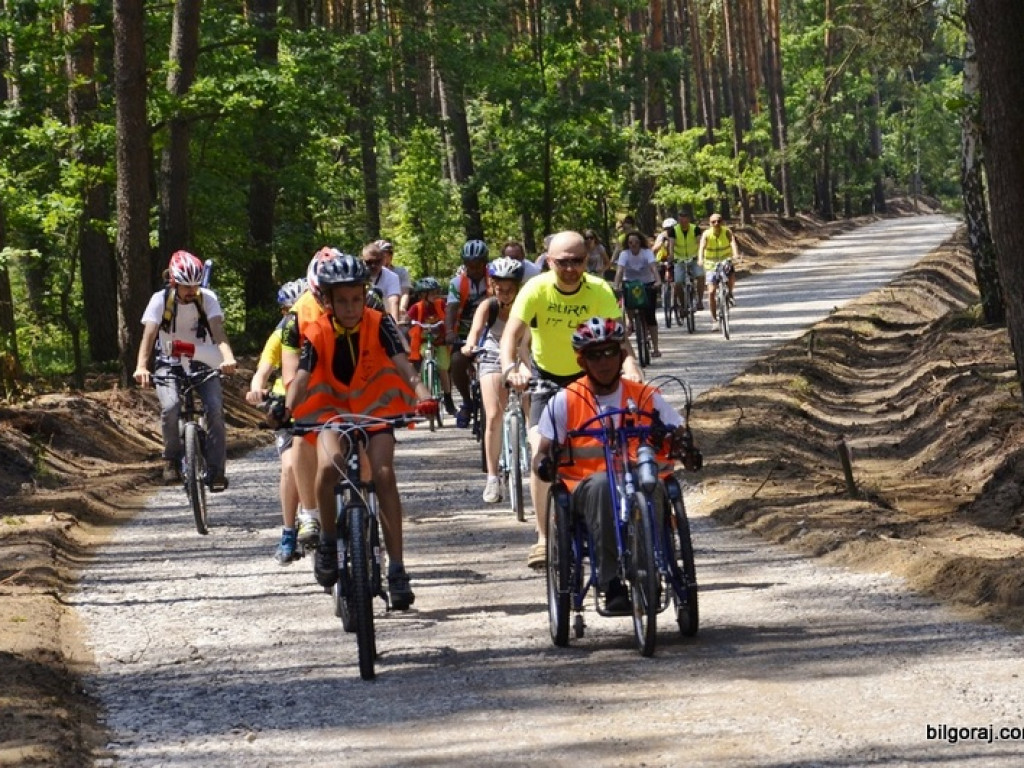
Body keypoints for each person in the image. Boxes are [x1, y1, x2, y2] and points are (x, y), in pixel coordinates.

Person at [281, 253, 436, 609]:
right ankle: (327, 543)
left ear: (365, 294)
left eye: (356, 298)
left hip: (376, 410)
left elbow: (404, 366)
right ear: (328, 301)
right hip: (330, 411)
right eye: (342, 301)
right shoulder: (316, 331)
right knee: (329, 465)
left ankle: (397, 569)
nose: (351, 308)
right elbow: (301, 378)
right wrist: (285, 409)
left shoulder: (379, 323)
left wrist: (425, 396)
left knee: (383, 474)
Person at [533, 317, 699, 612]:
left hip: (639, 476)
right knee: (601, 486)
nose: (604, 362)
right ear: (582, 361)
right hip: (587, 486)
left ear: (622, 356)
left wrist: (685, 448)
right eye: (594, 355)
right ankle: (610, 583)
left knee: (652, 486)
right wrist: (544, 464)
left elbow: (678, 431)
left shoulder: (645, 396)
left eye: (610, 352)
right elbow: (542, 452)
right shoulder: (565, 400)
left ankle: (650, 570)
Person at [500, 230, 642, 569]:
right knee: (542, 451)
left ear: (586, 260)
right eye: (562, 262)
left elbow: (618, 337)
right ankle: (543, 538)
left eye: (577, 261)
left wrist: (631, 365)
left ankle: (621, 518)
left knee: (613, 439)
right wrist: (510, 369)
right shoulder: (536, 288)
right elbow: (510, 335)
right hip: (547, 378)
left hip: (591, 376)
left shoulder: (599, 289)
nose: (570, 269)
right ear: (549, 261)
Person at [133, 250, 237, 489]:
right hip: (168, 361)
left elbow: (218, 331)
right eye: (186, 286)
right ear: (174, 282)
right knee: (170, 407)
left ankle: (216, 470)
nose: (192, 291)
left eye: (195, 285)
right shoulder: (159, 300)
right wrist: (141, 367)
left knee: (215, 409)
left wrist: (228, 357)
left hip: (203, 359)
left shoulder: (207, 298)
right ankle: (171, 459)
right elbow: (149, 336)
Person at [246, 278, 316, 564]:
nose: (294, 315)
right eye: (289, 310)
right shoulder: (279, 335)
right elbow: (262, 371)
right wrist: (256, 389)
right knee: (289, 466)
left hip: (319, 408)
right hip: (287, 412)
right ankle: (288, 531)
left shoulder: (323, 329)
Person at [461, 257, 533, 503]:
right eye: (500, 288)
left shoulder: (528, 304)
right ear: (492, 285)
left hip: (522, 357)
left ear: (518, 287)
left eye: (510, 288)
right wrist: (469, 346)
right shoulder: (488, 306)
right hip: (491, 357)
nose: (504, 293)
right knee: (493, 415)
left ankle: (538, 461)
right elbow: (475, 332)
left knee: (532, 411)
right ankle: (492, 477)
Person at [445, 239, 491, 427]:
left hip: (491, 329)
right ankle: (466, 401)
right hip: (465, 332)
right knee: (457, 361)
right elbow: (451, 308)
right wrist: (449, 331)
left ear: (485, 262)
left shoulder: (494, 279)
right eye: (469, 264)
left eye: (478, 264)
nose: (474, 268)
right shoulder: (457, 283)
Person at [407, 276, 456, 415]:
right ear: (423, 295)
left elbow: (449, 315)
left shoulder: (441, 304)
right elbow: (407, 318)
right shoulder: (417, 308)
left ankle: (448, 398)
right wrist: (405, 321)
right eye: (432, 293)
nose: (436, 295)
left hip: (440, 341)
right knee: (423, 356)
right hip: (424, 342)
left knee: (443, 368)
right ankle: (423, 388)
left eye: (436, 292)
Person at [613, 230, 663, 357]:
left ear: (640, 242)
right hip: (630, 283)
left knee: (650, 316)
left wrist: (658, 281)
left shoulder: (647, 253)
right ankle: (631, 321)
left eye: (636, 242)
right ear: (627, 244)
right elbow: (620, 271)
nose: (633, 245)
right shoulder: (624, 254)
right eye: (630, 242)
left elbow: (653, 267)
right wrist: (616, 285)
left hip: (647, 283)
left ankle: (656, 348)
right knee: (629, 305)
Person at [698, 213, 740, 331]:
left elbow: (732, 243)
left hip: (725, 260)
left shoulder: (727, 231)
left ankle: (730, 293)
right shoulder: (706, 234)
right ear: (710, 223)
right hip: (711, 263)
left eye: (719, 221)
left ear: (722, 222)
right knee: (711, 291)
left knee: (731, 274)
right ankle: (714, 320)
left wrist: (735, 254)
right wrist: (700, 259)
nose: (716, 223)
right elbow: (701, 247)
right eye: (713, 222)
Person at [362, 241, 403, 324]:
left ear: (383, 260)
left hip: (383, 319)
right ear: (362, 261)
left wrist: (394, 324)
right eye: (369, 262)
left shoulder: (392, 277)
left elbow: (394, 301)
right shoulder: (358, 276)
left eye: (377, 261)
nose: (373, 265)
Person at [376, 239, 413, 323]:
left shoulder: (401, 272)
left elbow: (405, 293)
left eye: (388, 254)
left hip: (394, 312)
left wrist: (402, 307)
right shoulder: (370, 274)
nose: (385, 258)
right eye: (382, 255)